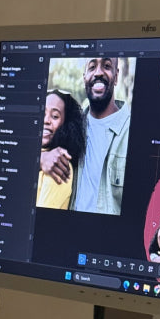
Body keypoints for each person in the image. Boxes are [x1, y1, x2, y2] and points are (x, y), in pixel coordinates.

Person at [40, 57, 131, 214]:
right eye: (92, 67)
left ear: (116, 76)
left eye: (107, 66)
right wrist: (40, 159)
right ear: (84, 78)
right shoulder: (72, 129)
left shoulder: (130, 132)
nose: (98, 72)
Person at [36, 89, 86, 210]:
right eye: (42, 113)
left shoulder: (58, 166)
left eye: (54, 116)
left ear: (67, 125)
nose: (46, 120)